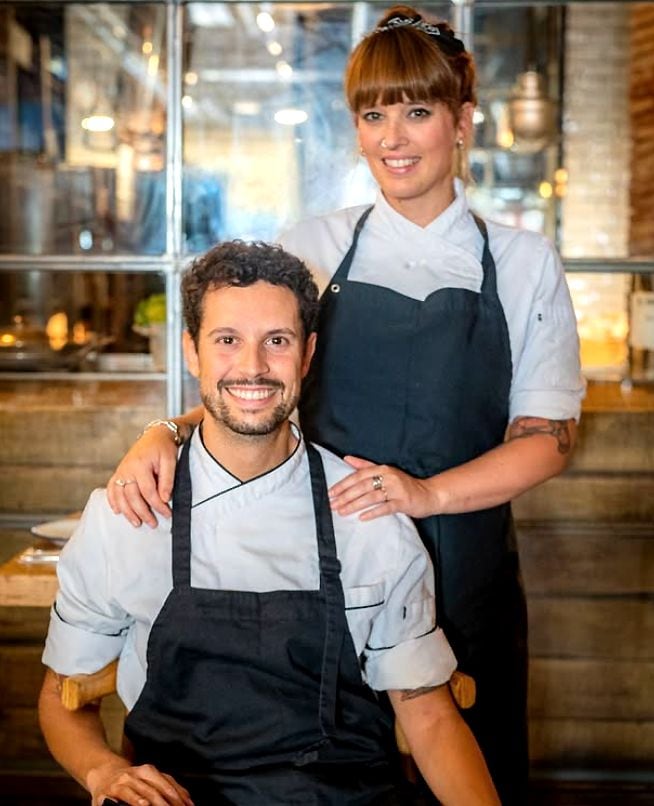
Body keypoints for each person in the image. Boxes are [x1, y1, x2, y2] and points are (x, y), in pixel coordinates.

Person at [105, 7, 585, 803]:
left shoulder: (524, 261)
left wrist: (426, 494)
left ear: (464, 122)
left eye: (419, 112)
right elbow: (255, 383)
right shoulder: (315, 245)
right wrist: (162, 432)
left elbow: (548, 439)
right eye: (374, 115)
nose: (394, 138)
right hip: (325, 571)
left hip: (467, 574)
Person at [39, 240, 499, 806]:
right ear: (192, 352)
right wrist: (104, 773)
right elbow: (64, 696)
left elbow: (428, 716)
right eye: (227, 340)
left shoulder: (365, 515)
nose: (252, 367)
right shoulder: (130, 512)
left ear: (307, 355)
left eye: (275, 342)